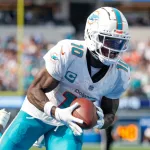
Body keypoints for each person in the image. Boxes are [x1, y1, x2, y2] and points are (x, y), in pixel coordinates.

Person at [0, 7, 131, 150]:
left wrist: (100, 121)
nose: (114, 49)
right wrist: (56, 112)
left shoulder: (120, 73)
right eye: (109, 41)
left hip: (68, 125)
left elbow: (110, 114)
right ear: (91, 35)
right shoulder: (69, 52)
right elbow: (34, 90)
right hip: (37, 114)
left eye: (119, 42)